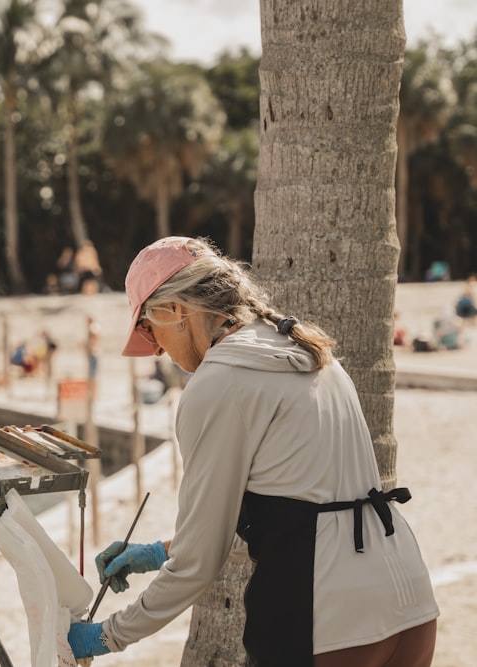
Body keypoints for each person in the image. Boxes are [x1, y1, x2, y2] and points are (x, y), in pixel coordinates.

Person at [67, 237, 439, 666]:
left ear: (177, 310)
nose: (154, 347)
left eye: (148, 327)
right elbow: (308, 510)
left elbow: (199, 566)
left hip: (324, 617)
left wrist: (105, 636)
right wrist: (158, 552)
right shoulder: (307, 348)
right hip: (409, 602)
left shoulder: (219, 383)